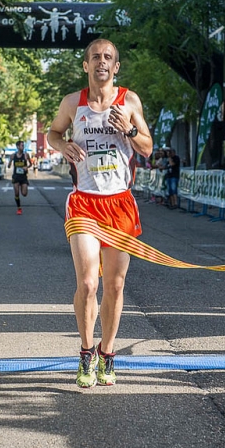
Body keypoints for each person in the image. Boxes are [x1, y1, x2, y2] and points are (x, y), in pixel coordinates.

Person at [47, 38, 152, 388]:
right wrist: (62, 145)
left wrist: (130, 129)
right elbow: (52, 133)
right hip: (84, 202)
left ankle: (108, 355)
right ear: (86, 65)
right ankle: (86, 352)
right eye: (95, 57)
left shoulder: (129, 101)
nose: (102, 62)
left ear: (116, 67)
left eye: (108, 57)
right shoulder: (73, 103)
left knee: (116, 286)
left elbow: (148, 148)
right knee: (89, 284)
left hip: (120, 203)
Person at [7, 140, 32, 215]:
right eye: (22, 145)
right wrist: (10, 161)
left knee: (24, 194)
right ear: (18, 147)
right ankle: (19, 208)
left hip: (23, 177)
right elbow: (8, 166)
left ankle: (23, 186)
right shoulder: (13, 155)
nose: (23, 147)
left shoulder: (26, 155)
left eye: (23, 145)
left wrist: (26, 167)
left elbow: (30, 164)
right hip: (16, 176)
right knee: (16, 193)